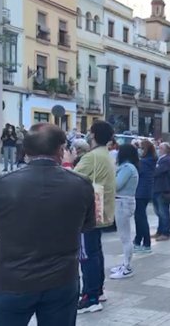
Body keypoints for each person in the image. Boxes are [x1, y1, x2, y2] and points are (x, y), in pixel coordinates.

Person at [0, 123, 95, 326]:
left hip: (12, 280)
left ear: (25, 151)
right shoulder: (81, 184)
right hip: (62, 280)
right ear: (61, 150)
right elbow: (87, 225)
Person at [74, 120, 116, 314]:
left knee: (87, 255)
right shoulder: (105, 155)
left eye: (90, 132)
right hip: (102, 212)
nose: (88, 135)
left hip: (88, 214)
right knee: (95, 252)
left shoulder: (91, 157)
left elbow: (71, 179)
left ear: (94, 135)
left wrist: (68, 161)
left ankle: (89, 297)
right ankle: (97, 291)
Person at [110, 144, 139, 280]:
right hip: (123, 202)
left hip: (123, 202)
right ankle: (125, 264)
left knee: (125, 237)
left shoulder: (127, 168)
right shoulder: (129, 167)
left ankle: (127, 267)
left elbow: (116, 185)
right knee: (124, 236)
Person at [133, 140, 156, 253]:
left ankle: (145, 242)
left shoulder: (144, 162)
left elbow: (137, 174)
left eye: (141, 148)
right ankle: (138, 240)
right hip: (146, 191)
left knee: (140, 218)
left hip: (140, 192)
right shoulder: (151, 160)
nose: (139, 150)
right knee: (140, 217)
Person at [153, 143, 170, 241]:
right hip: (157, 188)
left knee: (163, 212)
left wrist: (153, 169)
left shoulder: (167, 159)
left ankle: (165, 232)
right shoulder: (161, 159)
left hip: (163, 188)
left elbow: (157, 171)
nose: (159, 149)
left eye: (161, 148)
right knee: (159, 211)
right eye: (159, 147)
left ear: (166, 150)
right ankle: (159, 231)